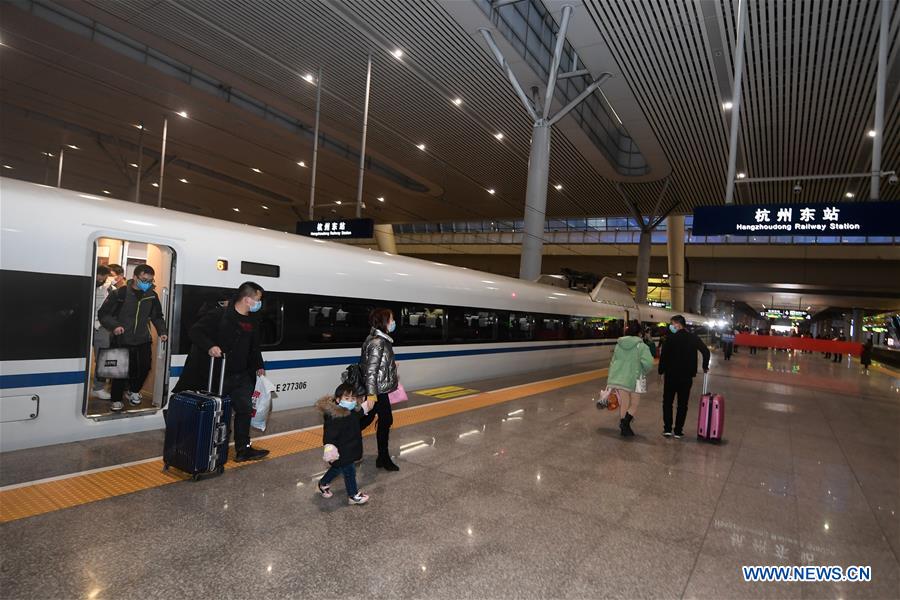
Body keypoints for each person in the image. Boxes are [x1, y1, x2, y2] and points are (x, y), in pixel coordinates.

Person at [172, 282, 270, 462]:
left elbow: (254, 347)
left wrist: (259, 366)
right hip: (217, 374)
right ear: (247, 299)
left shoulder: (253, 321)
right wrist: (210, 346)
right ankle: (217, 448)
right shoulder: (219, 315)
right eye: (258, 299)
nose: (259, 303)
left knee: (245, 410)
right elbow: (195, 332)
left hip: (241, 375)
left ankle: (243, 448)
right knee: (220, 412)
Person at [98, 264, 167, 412]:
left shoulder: (152, 295)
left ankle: (134, 391)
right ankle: (116, 399)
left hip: (143, 338)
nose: (147, 283)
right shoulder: (120, 294)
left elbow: (157, 316)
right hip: (122, 338)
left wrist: (162, 331)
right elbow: (103, 314)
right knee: (120, 371)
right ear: (135, 277)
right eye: (144, 279)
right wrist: (115, 326)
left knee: (145, 367)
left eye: (150, 280)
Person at [316, 383, 374, 505]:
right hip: (340, 450)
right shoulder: (334, 416)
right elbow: (329, 435)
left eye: (353, 399)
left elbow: (366, 408)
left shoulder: (353, 411)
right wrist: (329, 447)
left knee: (338, 468)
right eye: (346, 398)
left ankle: (323, 483)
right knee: (349, 471)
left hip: (350, 447)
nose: (350, 401)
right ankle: (353, 495)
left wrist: (372, 394)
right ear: (338, 400)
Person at [359, 308, 399, 471]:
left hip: (378, 388)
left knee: (371, 420)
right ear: (384, 322)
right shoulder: (378, 342)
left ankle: (382, 457)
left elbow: (376, 366)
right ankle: (382, 457)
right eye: (391, 319)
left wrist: (391, 366)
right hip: (376, 391)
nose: (393, 322)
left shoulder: (379, 339)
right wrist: (371, 395)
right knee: (383, 420)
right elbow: (371, 371)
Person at [658, 315, 710, 438]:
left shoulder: (670, 338)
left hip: (671, 376)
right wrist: (704, 366)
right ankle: (678, 431)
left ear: (678, 324)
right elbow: (706, 351)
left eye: (672, 324)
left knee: (667, 402)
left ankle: (667, 429)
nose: (671, 326)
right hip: (686, 377)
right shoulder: (693, 338)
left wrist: (661, 371)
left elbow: (663, 357)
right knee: (682, 404)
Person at [607, 321, 655, 436]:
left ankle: (624, 427)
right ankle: (625, 424)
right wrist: (642, 371)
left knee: (624, 403)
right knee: (634, 404)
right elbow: (649, 363)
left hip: (620, 378)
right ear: (639, 333)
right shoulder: (641, 346)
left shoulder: (619, 345)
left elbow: (613, 362)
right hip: (635, 379)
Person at [91, 265, 114, 400]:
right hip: (85, 325)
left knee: (103, 358)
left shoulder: (110, 288)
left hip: (102, 327)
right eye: (100, 276)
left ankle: (98, 388)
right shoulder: (86, 282)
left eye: (103, 277)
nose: (101, 279)